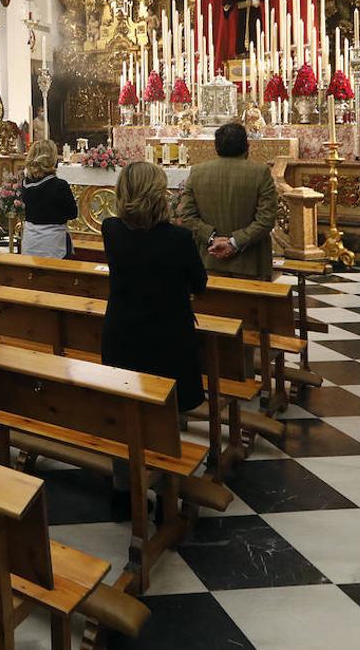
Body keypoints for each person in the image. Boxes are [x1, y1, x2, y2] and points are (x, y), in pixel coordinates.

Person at [101, 161, 206, 517]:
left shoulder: (111, 229)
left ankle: (122, 491)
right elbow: (199, 282)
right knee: (166, 414)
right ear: (160, 194)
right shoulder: (178, 238)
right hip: (167, 336)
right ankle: (165, 494)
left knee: (121, 412)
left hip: (123, 333)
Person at [177, 122, 278, 281]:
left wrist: (212, 238)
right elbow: (266, 219)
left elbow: (187, 215)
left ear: (216, 147)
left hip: (209, 259)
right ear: (247, 145)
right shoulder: (261, 173)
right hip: (250, 263)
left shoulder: (197, 172)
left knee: (210, 306)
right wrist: (234, 243)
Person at [20, 139, 77, 259]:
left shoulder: (25, 184)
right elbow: (72, 213)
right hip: (54, 244)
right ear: (52, 159)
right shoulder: (60, 185)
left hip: (31, 241)